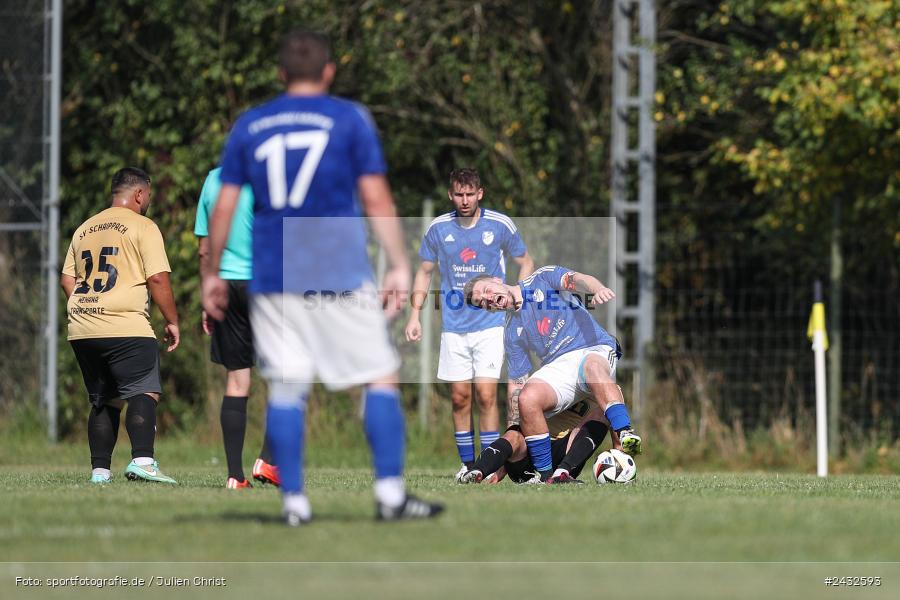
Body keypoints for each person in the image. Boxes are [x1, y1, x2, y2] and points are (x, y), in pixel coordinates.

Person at [201, 30, 443, 525]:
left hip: (272, 276)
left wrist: (211, 273)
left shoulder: (251, 125)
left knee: (288, 388)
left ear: (281, 74)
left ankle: (294, 504)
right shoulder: (349, 118)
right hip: (337, 270)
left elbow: (223, 205)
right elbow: (375, 196)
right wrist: (398, 261)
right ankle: (391, 495)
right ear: (329, 71)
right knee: (380, 377)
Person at [404, 168, 533, 481]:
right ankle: (467, 464)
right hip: (454, 327)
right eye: (459, 194)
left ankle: (490, 466)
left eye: (470, 194)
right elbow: (423, 272)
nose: (464, 200)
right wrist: (414, 315)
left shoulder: (499, 225)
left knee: (486, 395)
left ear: (480, 194)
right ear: (451, 195)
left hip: (490, 324)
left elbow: (526, 262)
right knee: (460, 397)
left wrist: (520, 299)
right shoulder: (439, 229)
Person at [463, 265, 642, 482]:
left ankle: (625, 433)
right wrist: (514, 433)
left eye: (486, 290)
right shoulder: (512, 332)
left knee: (593, 369)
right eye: (482, 303)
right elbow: (517, 386)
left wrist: (597, 288)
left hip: (593, 348)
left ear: (496, 279)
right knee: (528, 397)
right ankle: (548, 477)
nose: (487, 299)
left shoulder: (541, 278)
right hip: (560, 365)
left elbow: (579, 278)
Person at [60, 167, 179, 485]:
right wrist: (172, 320)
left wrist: (89, 304)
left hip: (83, 328)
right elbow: (157, 278)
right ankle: (142, 461)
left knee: (103, 398)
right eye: (149, 195)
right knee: (144, 391)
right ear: (140, 194)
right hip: (126, 325)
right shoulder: (144, 226)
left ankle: (100, 473)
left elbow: (67, 278)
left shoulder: (85, 228)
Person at [195, 167, 279, 489]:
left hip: (225, 284)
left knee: (236, 379)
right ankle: (268, 460)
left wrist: (208, 292)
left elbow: (204, 249)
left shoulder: (213, 179)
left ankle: (234, 475)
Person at [460, 399, 615, 485]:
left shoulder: (609, 390)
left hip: (565, 457)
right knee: (515, 433)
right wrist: (503, 461)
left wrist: (619, 463)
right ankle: (477, 471)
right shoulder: (560, 373)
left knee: (604, 411)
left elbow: (619, 440)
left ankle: (561, 474)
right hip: (532, 451)